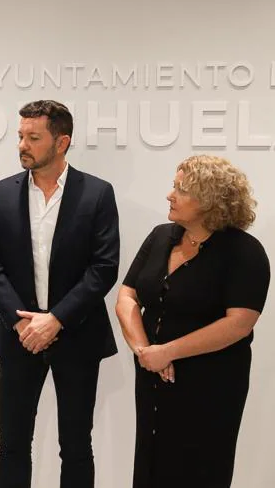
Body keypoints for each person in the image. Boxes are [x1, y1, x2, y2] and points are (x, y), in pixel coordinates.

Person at [0, 100, 120, 488]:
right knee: (12, 445)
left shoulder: (97, 193)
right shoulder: (1, 193)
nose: (22, 144)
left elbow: (104, 267)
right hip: (19, 335)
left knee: (76, 445)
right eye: (20, 135)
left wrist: (56, 320)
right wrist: (21, 322)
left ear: (62, 142)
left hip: (77, 334)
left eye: (33, 137)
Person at [115, 155, 270, 488]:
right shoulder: (160, 237)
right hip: (154, 375)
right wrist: (146, 352)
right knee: (150, 462)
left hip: (210, 384)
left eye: (181, 189)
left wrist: (167, 351)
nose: (170, 195)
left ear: (209, 200)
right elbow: (127, 296)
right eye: (174, 187)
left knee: (199, 468)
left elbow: (239, 324)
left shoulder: (244, 252)